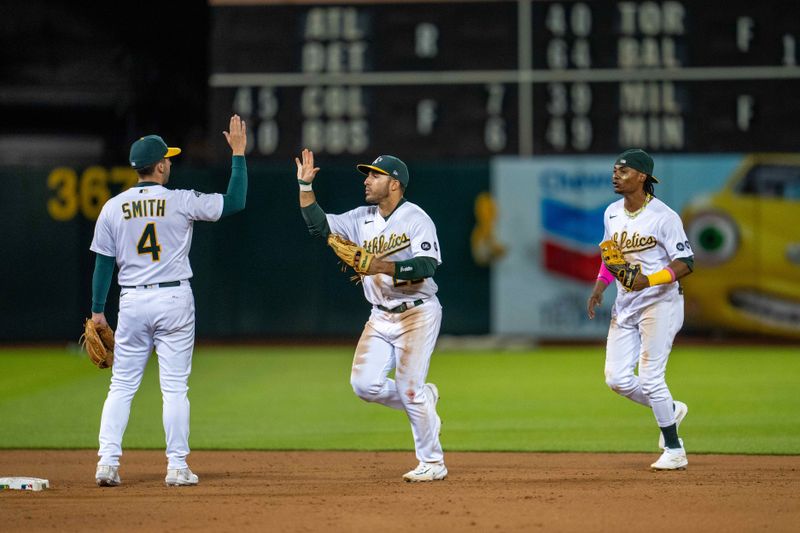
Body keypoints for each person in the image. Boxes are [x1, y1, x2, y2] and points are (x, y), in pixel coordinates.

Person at [90, 115, 248, 487]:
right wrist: (238, 155)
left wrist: (98, 312)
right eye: (169, 159)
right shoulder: (180, 200)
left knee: (121, 386)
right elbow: (235, 202)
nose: (171, 163)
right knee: (175, 387)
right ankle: (177, 467)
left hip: (131, 301)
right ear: (159, 165)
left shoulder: (114, 206)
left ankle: (107, 464)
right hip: (174, 297)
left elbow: (103, 264)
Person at [295, 149, 447, 482]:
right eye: (368, 175)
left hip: (417, 313)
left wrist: (380, 265)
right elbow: (320, 227)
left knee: (408, 388)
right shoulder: (360, 218)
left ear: (394, 184)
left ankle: (433, 461)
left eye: (375, 176)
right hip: (379, 314)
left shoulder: (416, 218)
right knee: (364, 385)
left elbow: (426, 266)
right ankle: (425, 398)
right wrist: (305, 187)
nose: (367, 180)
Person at [587, 148, 694, 471]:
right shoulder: (612, 213)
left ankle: (674, 449)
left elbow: (686, 262)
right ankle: (670, 408)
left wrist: (649, 280)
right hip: (626, 304)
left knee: (650, 378)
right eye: (615, 170)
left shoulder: (664, 216)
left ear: (642, 177)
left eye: (624, 171)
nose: (616, 175)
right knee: (617, 379)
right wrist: (600, 285)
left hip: (661, 302)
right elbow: (612, 256)